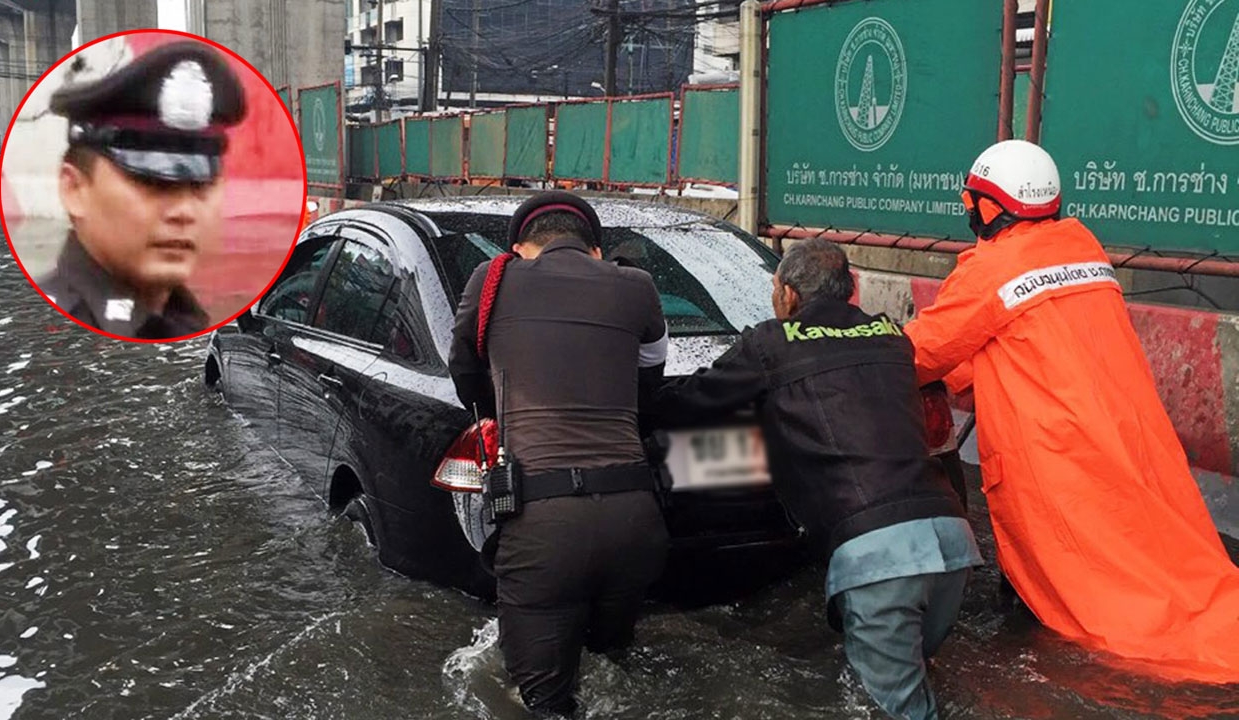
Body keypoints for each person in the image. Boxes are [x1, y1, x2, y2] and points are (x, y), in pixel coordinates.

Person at [905, 139, 1239, 683]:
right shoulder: (1082, 247)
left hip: (1056, 450)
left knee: (1079, 582)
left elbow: (922, 354)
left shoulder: (991, 270)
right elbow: (1016, 338)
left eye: (970, 201)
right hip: (1121, 432)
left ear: (989, 207)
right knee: (1161, 554)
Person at [655, 239, 982, 720]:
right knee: (917, 678)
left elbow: (692, 401)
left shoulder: (771, 342)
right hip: (952, 540)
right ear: (850, 289)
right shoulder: (892, 336)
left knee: (890, 710)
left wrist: (628, 401)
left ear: (788, 294)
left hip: (880, 555)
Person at [448, 191, 671, 716]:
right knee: (613, 670)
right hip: (635, 519)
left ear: (520, 249)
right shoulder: (637, 285)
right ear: (596, 250)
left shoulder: (492, 279)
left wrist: (503, 415)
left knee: (543, 703)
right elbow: (650, 383)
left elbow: (464, 368)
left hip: (542, 525)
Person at [35, 40, 246, 340]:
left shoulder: (187, 322)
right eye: (152, 182)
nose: (183, 212)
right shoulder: (46, 332)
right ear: (75, 190)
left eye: (201, 185)